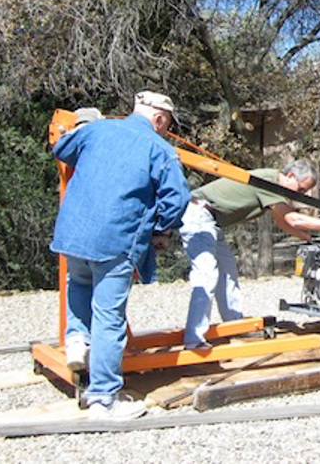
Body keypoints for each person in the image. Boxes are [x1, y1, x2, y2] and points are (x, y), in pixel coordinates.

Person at [50, 91, 190, 419]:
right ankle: (103, 399)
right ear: (159, 119)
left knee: (79, 286)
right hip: (116, 240)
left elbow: (62, 149)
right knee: (109, 316)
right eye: (167, 124)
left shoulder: (96, 130)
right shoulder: (160, 149)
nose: (166, 130)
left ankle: (77, 341)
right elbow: (178, 200)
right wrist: (160, 229)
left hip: (72, 233)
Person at [180, 160, 320, 350]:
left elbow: (283, 222)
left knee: (227, 272)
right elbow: (292, 219)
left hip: (210, 220)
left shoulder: (272, 185)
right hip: (198, 214)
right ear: (291, 176)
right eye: (301, 190)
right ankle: (194, 340)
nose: (299, 195)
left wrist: (310, 239)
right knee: (206, 275)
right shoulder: (269, 182)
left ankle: (234, 324)